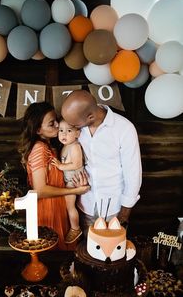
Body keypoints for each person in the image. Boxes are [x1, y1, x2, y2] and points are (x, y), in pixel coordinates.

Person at [61, 89, 142, 236]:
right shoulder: (78, 128)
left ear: (90, 116)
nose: (71, 128)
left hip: (115, 207)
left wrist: (124, 214)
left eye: (75, 125)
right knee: (88, 250)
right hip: (86, 203)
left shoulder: (124, 128)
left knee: (113, 253)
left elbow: (133, 173)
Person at [18, 101, 90, 250]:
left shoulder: (51, 146)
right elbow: (41, 190)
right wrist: (75, 191)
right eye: (52, 124)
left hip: (58, 205)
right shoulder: (39, 149)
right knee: (53, 252)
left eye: (56, 120)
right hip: (48, 208)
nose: (58, 125)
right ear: (38, 130)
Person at [51, 119, 85, 244]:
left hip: (73, 181)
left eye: (69, 131)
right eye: (61, 130)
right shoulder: (66, 146)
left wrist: (60, 166)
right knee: (70, 205)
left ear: (78, 133)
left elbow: (77, 164)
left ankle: (75, 228)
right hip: (69, 180)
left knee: (70, 206)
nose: (64, 134)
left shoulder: (75, 146)